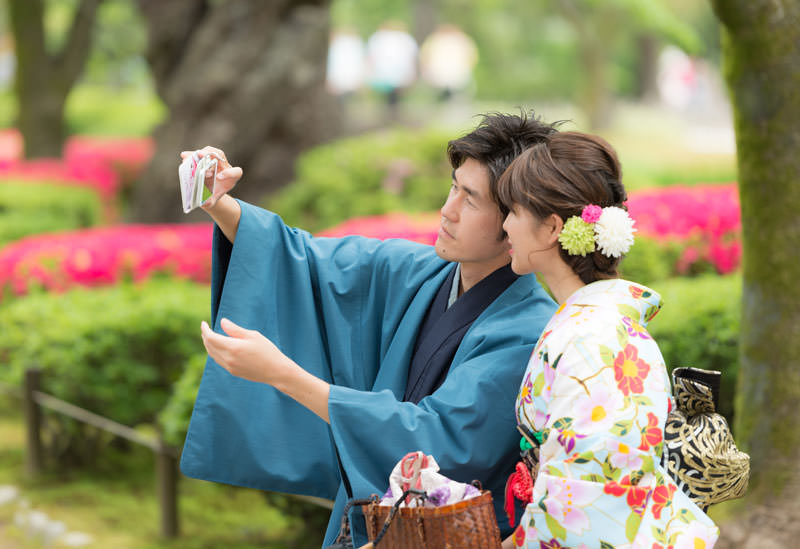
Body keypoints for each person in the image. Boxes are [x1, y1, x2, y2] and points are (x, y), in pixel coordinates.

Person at [179, 112, 559, 547]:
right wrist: (217, 201)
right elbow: (305, 261)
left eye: (470, 200)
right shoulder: (423, 272)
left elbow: (436, 442)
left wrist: (282, 374)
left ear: (517, 220)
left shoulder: (529, 331)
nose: (447, 211)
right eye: (454, 186)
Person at [496, 132, 719, 548]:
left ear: (552, 228)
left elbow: (583, 493)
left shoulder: (589, 338)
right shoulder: (592, 325)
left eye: (512, 210)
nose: (504, 223)